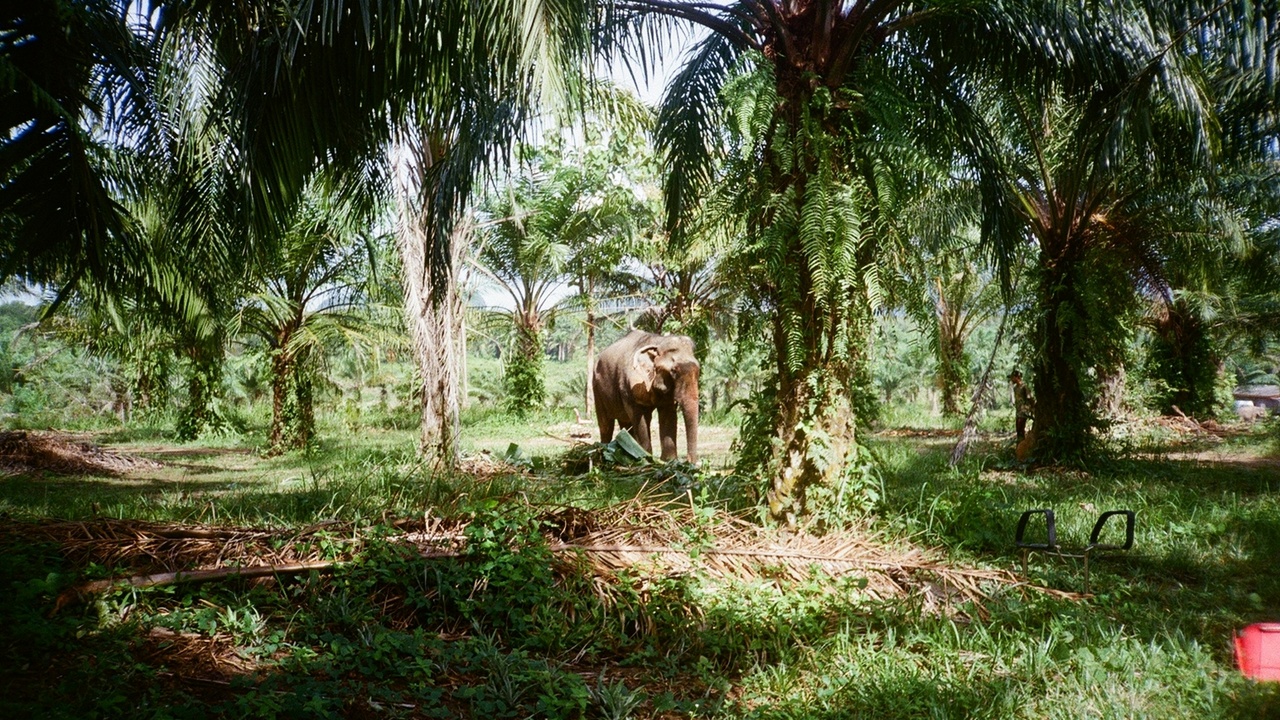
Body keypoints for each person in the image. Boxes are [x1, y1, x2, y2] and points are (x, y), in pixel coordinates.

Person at [1009, 370, 1033, 441]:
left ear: (1017, 377)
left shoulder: (1024, 387)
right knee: (1018, 430)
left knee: (1021, 428)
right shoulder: (1015, 388)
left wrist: (1032, 408)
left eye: (1012, 378)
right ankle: (1019, 445)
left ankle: (1022, 445)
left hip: (1024, 411)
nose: (1011, 380)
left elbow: (1030, 398)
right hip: (1018, 411)